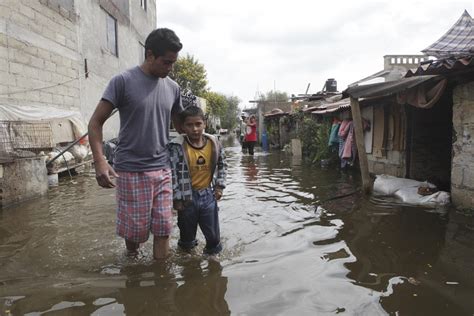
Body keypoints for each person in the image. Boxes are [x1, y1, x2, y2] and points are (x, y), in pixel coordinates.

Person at [88, 28, 184, 259]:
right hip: (131, 170)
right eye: (166, 62)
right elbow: (95, 123)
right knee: (136, 233)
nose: (169, 68)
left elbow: (182, 126)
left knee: (164, 228)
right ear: (150, 55)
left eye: (173, 63)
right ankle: (132, 258)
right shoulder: (123, 81)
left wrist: (201, 130)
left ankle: (162, 281)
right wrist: (100, 161)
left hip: (162, 169)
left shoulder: (173, 88)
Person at [169, 106, 227, 256]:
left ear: (204, 124)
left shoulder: (214, 142)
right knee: (187, 240)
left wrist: (219, 187)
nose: (194, 129)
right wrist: (176, 198)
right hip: (187, 199)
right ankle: (189, 267)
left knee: (214, 239)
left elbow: (222, 164)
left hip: (208, 196)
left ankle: (213, 269)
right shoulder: (177, 146)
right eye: (189, 125)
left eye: (198, 124)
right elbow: (172, 173)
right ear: (182, 127)